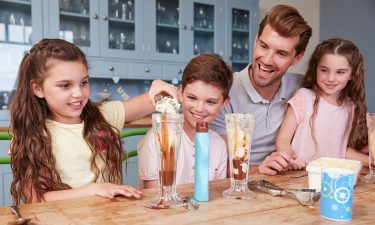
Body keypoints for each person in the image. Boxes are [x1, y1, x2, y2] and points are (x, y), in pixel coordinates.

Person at [9, 39, 177, 204]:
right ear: (38, 88)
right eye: (65, 85)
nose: (78, 93)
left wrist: (157, 86)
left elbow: (152, 99)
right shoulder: (32, 133)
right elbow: (35, 199)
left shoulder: (102, 116)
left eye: (84, 82)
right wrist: (94, 190)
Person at [210, 5, 312, 175]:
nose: (266, 60)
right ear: (256, 40)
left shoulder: (301, 88)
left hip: (286, 183)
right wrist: (260, 169)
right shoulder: (224, 92)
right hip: (238, 188)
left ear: (297, 58)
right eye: (263, 46)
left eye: (281, 53)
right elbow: (217, 167)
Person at [138, 54, 233, 188]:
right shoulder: (157, 138)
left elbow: (215, 193)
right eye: (192, 98)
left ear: (224, 103)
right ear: (180, 92)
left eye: (211, 102)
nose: (199, 109)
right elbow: (153, 196)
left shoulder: (219, 145)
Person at [276, 38, 369, 170]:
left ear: (352, 75)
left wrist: (370, 160)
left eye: (340, 72)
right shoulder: (303, 97)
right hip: (298, 176)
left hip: (333, 180)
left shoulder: (350, 107)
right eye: (324, 70)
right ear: (316, 69)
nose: (331, 78)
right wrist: (291, 159)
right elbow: (283, 139)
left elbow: (342, 151)